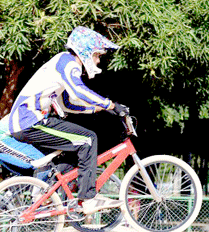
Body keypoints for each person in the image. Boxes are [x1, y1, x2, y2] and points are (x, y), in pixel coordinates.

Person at [8, 26, 127, 215]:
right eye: (97, 55)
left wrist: (97, 108)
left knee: (77, 147)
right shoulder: (67, 62)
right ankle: (88, 199)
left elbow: (67, 104)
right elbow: (78, 91)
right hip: (29, 121)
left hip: (29, 121)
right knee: (88, 139)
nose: (97, 60)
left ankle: (48, 189)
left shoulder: (65, 64)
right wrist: (109, 104)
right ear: (86, 51)